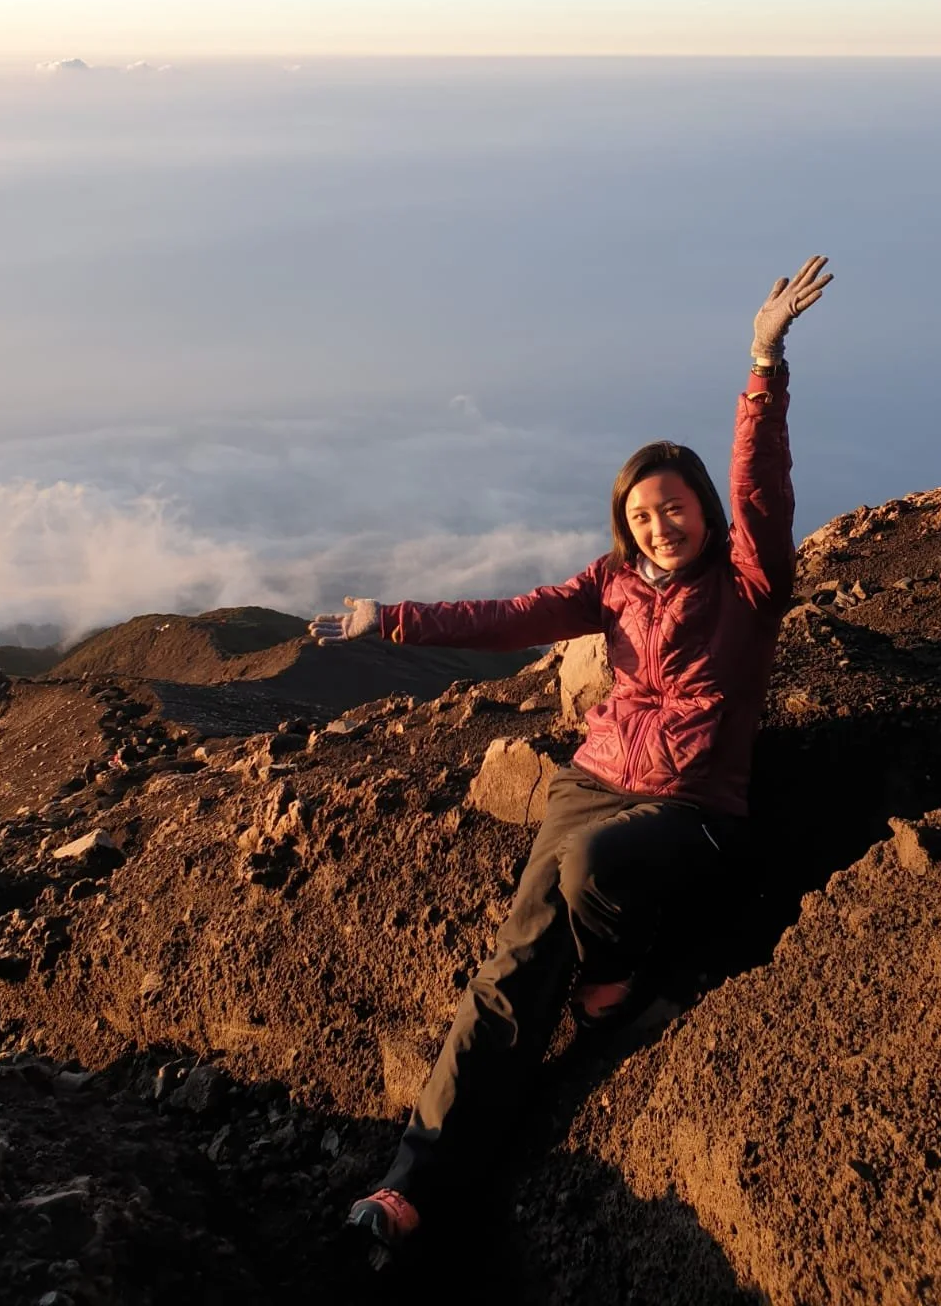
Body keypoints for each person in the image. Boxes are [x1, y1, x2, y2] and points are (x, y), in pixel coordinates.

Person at [308, 256, 833, 1265]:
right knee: (507, 981)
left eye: (674, 506)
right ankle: (410, 1184)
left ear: (706, 513)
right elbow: (509, 618)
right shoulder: (612, 585)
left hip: (691, 806)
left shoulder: (751, 584)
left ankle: (624, 978)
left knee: (592, 883)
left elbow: (763, 484)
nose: (658, 522)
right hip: (589, 788)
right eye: (641, 514)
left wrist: (763, 360)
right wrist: (392, 619)